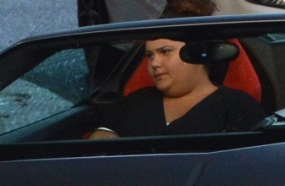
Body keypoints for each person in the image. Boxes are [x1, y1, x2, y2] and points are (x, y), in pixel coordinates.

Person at [90, 37, 264, 137]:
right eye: (150, 55)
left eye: (165, 52)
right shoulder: (135, 101)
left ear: (196, 54)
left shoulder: (238, 107)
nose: (154, 63)